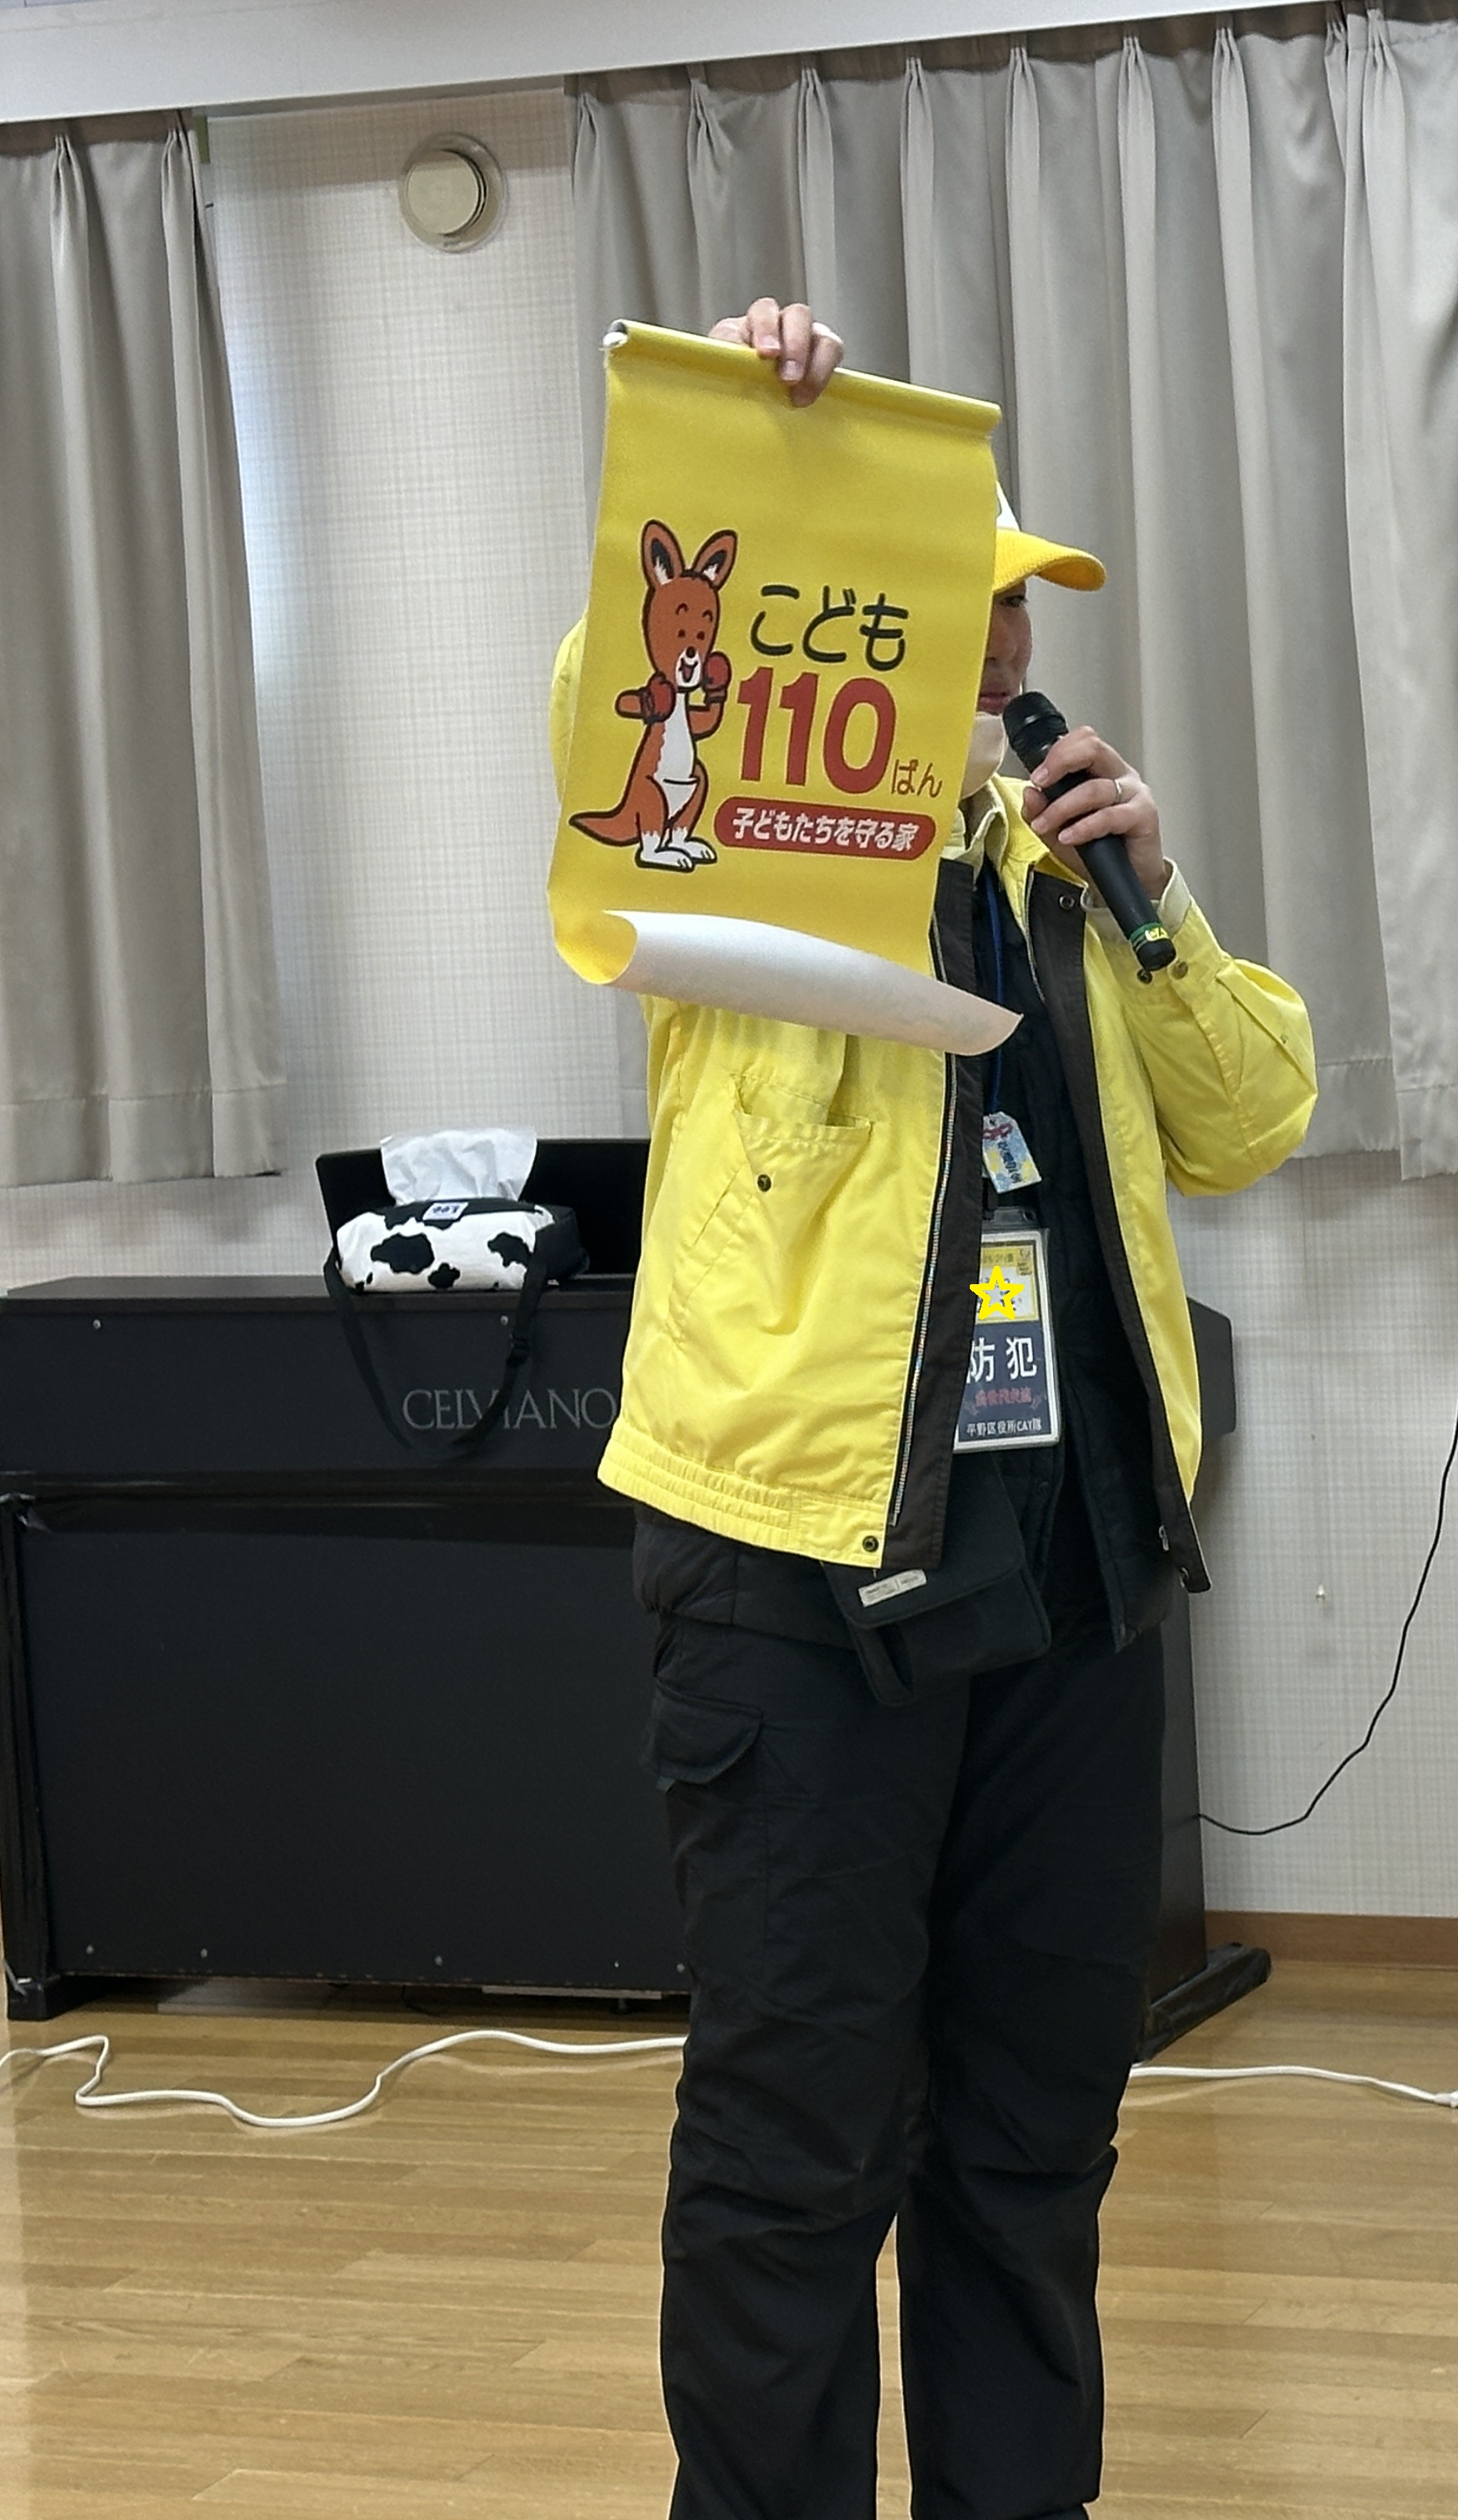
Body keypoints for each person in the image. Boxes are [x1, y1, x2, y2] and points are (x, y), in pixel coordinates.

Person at [549, 298, 1317, 2520]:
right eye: (967, 601)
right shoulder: (747, 872)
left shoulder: (1063, 879)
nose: (1008, 644)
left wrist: (1152, 895)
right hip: (799, 1577)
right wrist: (747, 456)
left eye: (1019, 607)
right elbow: (619, 733)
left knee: (1031, 2141)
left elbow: (1255, 1116)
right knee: (796, 2150)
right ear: (864, 615)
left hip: (1067, 1589)